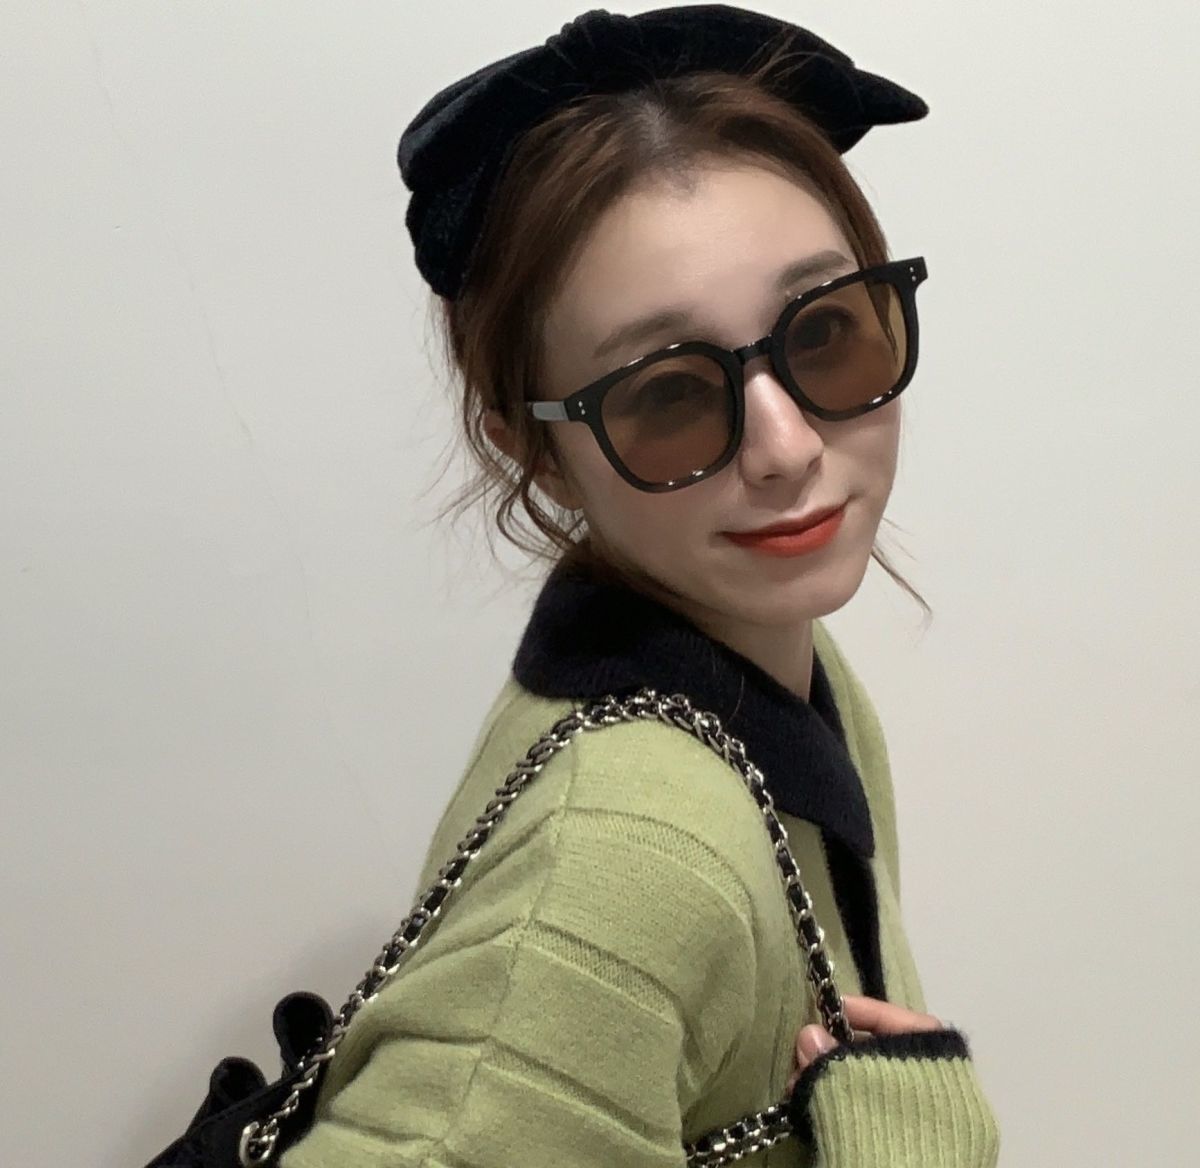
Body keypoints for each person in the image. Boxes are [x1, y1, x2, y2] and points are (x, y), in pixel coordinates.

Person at [278, 6, 1001, 1166]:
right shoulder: (634, 855)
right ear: (532, 445)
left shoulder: (776, 657)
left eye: (825, 333)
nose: (785, 447)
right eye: (668, 394)